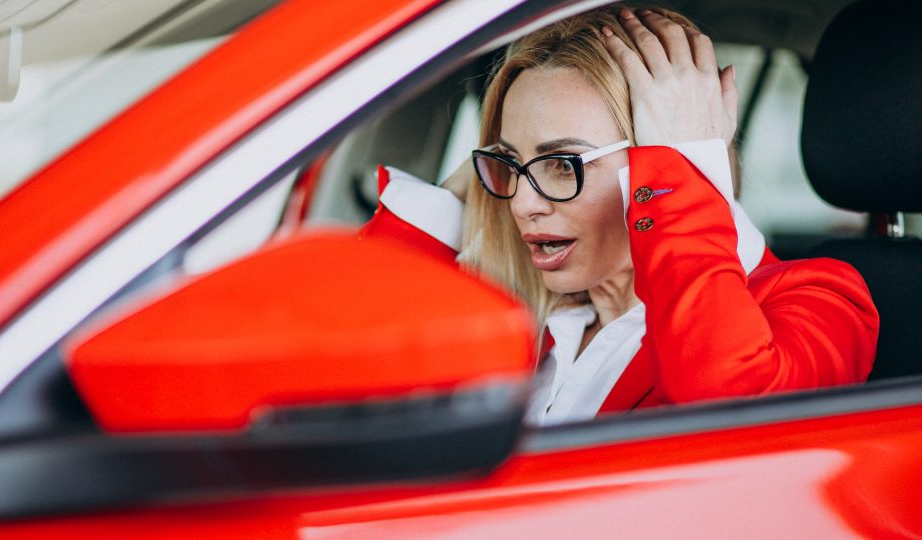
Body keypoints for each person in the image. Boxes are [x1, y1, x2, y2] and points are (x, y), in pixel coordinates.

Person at [359, 6, 878, 425]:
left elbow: (727, 413)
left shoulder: (820, 300)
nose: (522, 203)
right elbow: (352, 373)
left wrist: (686, 167)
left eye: (563, 163)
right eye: (511, 164)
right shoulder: (520, 320)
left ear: (660, 164)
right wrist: (463, 189)